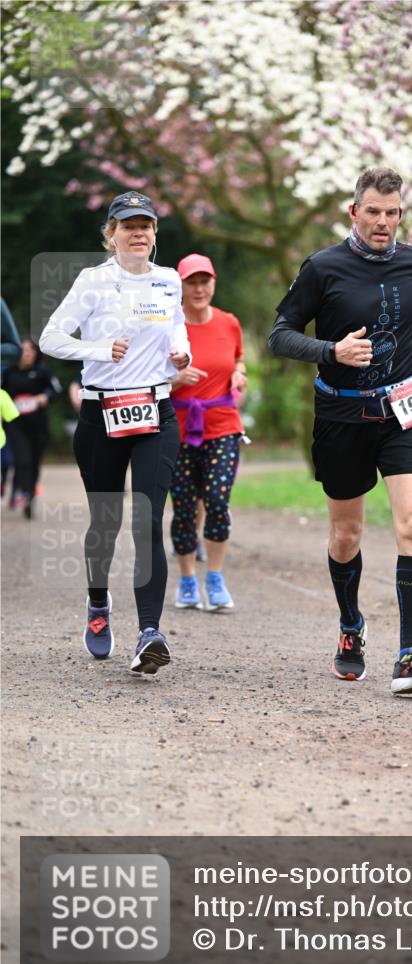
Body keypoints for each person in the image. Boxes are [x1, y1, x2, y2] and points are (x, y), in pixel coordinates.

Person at [269, 166, 412, 696]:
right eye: (373, 211)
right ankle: (351, 626)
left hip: (403, 409)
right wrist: (332, 352)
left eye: (392, 213)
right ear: (354, 211)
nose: (383, 222)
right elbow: (279, 336)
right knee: (346, 535)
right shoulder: (323, 267)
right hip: (342, 414)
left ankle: (409, 654)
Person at [40, 190, 190, 674]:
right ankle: (99, 604)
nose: (138, 232)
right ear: (112, 235)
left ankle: (150, 632)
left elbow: (177, 329)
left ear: (154, 234)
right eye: (128, 225)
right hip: (102, 415)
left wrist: (181, 354)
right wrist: (101, 348)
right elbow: (51, 337)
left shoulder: (169, 281)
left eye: (145, 225)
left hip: (154, 412)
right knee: (104, 523)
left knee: (147, 519)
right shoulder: (92, 282)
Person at [169, 253, 247, 611]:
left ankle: (214, 577)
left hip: (222, 426)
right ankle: (187, 579)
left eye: (204, 281)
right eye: (191, 282)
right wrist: (174, 378)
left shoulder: (230, 323)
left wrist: (239, 374)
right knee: (184, 509)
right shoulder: (168, 326)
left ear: (214, 283)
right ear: (180, 286)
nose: (198, 289)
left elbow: (238, 359)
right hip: (178, 428)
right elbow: (143, 375)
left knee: (217, 501)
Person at [2, 337, 61, 517]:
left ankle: (29, 496)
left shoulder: (42, 372)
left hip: (38, 425)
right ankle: (24, 493)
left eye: (30, 351)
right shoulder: (9, 373)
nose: (27, 354)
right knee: (22, 459)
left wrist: (45, 397)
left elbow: (56, 390)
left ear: (36, 353)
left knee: (34, 462)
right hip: (15, 424)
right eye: (23, 351)